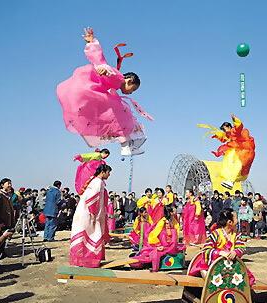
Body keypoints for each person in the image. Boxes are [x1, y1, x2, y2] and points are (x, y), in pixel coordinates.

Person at [57, 27, 151, 155]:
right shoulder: (118, 78)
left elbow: (99, 60)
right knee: (124, 117)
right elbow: (106, 67)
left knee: (120, 119)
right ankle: (126, 147)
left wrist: (90, 43)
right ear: (129, 80)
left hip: (93, 94)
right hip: (92, 92)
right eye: (132, 89)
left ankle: (126, 146)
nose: (131, 93)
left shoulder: (116, 85)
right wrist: (106, 71)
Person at [188, 208, 255, 286]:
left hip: (231, 265)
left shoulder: (236, 235)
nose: (237, 220)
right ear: (230, 222)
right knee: (204, 270)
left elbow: (242, 248)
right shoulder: (216, 234)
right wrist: (220, 253)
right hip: (214, 265)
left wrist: (235, 252)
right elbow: (206, 249)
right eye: (236, 218)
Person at [70, 164, 112, 268]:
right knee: (93, 235)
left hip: (88, 213)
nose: (109, 174)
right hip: (89, 214)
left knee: (87, 236)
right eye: (108, 172)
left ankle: (84, 261)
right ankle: (89, 261)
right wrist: (93, 214)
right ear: (103, 172)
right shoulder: (98, 182)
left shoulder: (95, 181)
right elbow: (92, 199)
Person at [206, 114, 256, 189]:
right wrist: (217, 135)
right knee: (229, 164)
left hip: (244, 151)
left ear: (229, 126)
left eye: (224, 129)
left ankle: (231, 181)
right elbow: (224, 138)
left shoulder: (235, 131)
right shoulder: (229, 134)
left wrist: (235, 120)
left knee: (237, 165)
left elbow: (239, 127)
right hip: (238, 151)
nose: (224, 131)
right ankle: (230, 181)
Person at [131, 205, 185, 271]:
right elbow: (153, 235)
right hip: (162, 242)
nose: (175, 211)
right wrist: (158, 245)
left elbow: (176, 230)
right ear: (170, 212)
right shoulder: (162, 221)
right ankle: (154, 268)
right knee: (154, 253)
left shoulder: (173, 220)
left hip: (171, 243)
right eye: (174, 210)